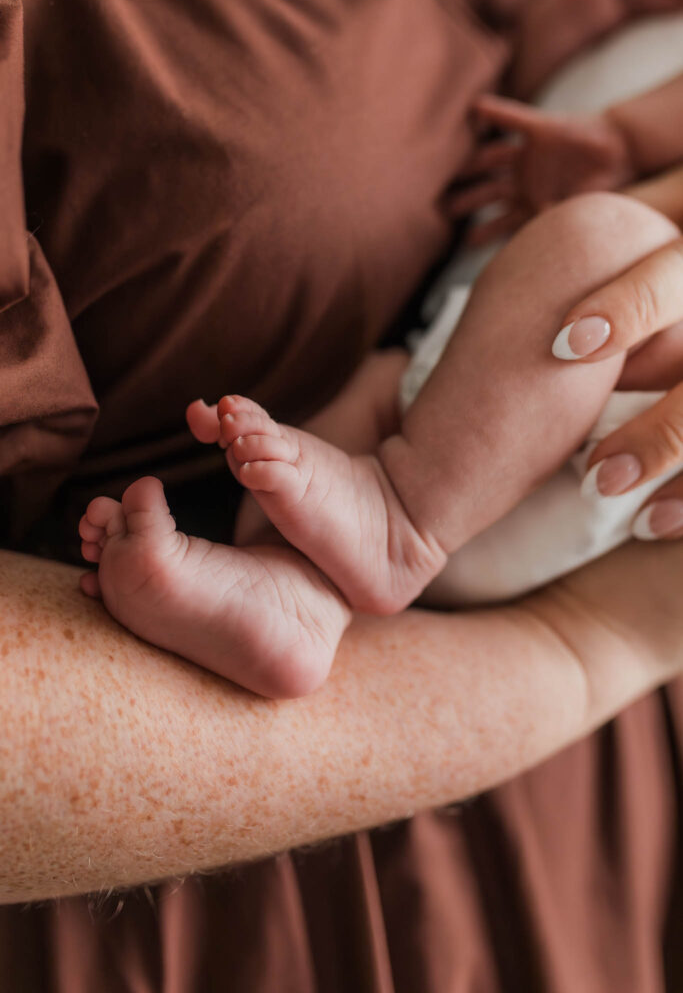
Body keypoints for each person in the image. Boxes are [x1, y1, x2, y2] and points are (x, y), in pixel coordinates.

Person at [4, 0, 683, 991]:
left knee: (600, 251)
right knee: (445, 367)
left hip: (561, 463)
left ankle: (386, 527)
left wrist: (629, 147)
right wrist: (594, 644)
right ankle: (319, 572)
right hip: (507, 541)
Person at [76, 75, 683, 698]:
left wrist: (624, 138)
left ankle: (400, 517)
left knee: (611, 241)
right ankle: (294, 597)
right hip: (500, 465)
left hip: (597, 431)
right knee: (376, 407)